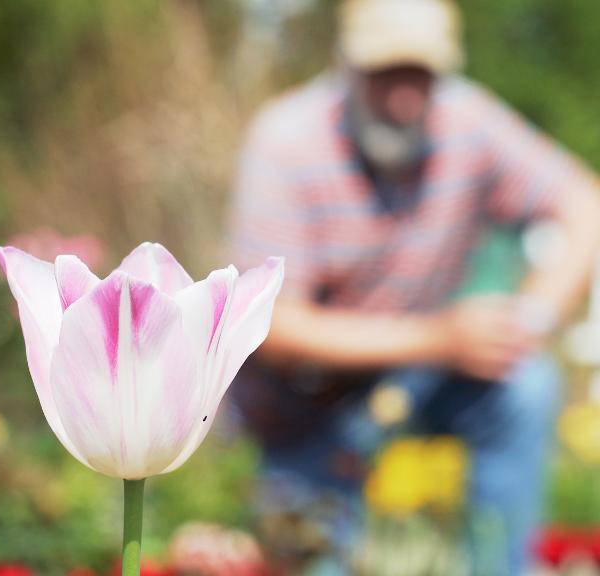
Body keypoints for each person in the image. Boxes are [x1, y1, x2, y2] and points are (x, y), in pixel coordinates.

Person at [227, 0, 600, 574]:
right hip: (307, 404)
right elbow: (273, 325)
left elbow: (584, 204)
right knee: (313, 560)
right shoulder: (287, 140)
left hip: (422, 378)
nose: (405, 97)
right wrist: (438, 338)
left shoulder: (467, 120)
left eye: (421, 75)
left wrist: (529, 320)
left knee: (525, 384)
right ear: (345, 65)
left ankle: (498, 564)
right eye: (385, 74)